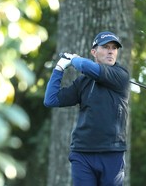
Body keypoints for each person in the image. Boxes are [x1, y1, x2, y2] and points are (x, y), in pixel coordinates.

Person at [44, 31, 130, 186]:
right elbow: (51, 99)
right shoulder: (83, 82)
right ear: (94, 52)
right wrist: (58, 68)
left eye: (114, 48)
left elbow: (83, 65)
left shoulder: (120, 75)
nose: (111, 51)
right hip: (82, 153)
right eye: (105, 47)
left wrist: (74, 59)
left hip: (112, 152)